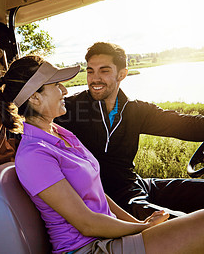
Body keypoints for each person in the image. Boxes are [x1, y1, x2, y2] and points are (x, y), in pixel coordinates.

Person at [0, 55, 204, 254]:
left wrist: (139, 226)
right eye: (56, 85)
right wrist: (142, 228)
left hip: (107, 235)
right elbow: (87, 224)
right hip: (89, 248)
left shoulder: (61, 133)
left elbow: (99, 194)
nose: (65, 90)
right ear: (34, 98)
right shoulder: (34, 155)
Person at [55, 42, 204, 219]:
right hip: (111, 198)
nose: (94, 79)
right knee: (181, 223)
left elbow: (184, 124)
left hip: (136, 183)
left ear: (122, 74)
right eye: (90, 71)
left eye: (104, 71)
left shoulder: (136, 110)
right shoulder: (70, 108)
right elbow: (34, 123)